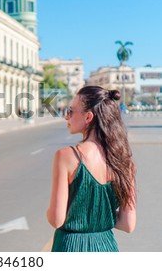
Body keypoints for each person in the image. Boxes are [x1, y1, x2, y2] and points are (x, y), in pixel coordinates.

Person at [47, 86, 136, 252]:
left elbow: (56, 219)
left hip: (70, 247)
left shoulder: (67, 156)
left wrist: (51, 212)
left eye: (71, 111)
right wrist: (100, 216)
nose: (67, 116)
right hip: (106, 247)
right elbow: (128, 224)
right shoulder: (125, 161)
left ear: (88, 117)